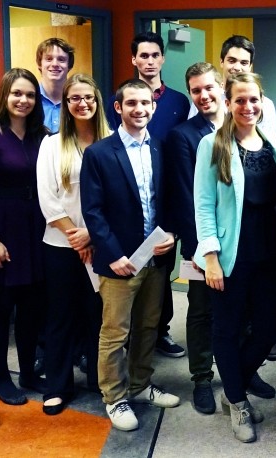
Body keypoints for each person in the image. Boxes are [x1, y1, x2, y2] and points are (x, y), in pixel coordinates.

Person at [81, 78, 180, 432]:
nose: (139, 109)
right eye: (132, 103)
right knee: (115, 332)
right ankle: (114, 397)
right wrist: (112, 254)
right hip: (119, 262)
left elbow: (170, 200)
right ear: (118, 108)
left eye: (145, 103)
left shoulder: (161, 148)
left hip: (155, 258)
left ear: (153, 107)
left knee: (148, 326)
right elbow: (93, 211)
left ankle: (140, 384)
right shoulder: (99, 153)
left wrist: (173, 234)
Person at [193, 72, 276, 443]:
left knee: (268, 330)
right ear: (228, 103)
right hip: (231, 254)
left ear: (262, 102)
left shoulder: (270, 145)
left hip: (269, 254)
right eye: (240, 100)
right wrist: (210, 256)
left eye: (254, 99)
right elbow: (203, 204)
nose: (248, 106)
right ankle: (237, 400)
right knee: (227, 330)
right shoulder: (212, 144)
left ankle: (234, 387)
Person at [104, 32, 191, 360]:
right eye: (143, 55)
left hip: (165, 196)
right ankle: (128, 336)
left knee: (160, 270)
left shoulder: (179, 102)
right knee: (127, 271)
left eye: (155, 55)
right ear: (134, 59)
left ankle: (160, 331)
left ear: (163, 59)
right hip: (128, 196)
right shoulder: (119, 98)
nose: (150, 61)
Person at [36, 73, 111, 415]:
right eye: (75, 98)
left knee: (99, 315)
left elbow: (119, 198)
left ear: (98, 101)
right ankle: (58, 385)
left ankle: (100, 379)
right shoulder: (51, 145)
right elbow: (48, 199)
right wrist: (76, 236)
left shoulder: (111, 141)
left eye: (88, 97)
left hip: (102, 243)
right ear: (66, 104)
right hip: (60, 245)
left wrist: (92, 235)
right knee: (61, 316)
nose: (83, 104)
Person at [0, 68, 49, 406]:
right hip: (2, 228)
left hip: (37, 228)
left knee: (32, 309)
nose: (23, 100)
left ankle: (28, 373)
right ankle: (1, 379)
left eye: (30, 95)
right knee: (0, 309)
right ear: (4, 96)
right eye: (17, 93)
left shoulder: (44, 136)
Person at [164, 61, 225, 415]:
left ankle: (239, 372)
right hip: (201, 243)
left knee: (239, 308)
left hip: (239, 240)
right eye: (196, 90)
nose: (203, 95)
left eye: (208, 87)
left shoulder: (240, 126)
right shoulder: (183, 136)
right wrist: (200, 248)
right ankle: (202, 377)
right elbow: (185, 197)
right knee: (202, 311)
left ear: (221, 86)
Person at [219, 35, 276, 150]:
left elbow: (272, 147)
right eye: (232, 61)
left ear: (250, 66)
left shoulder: (265, 105)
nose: (237, 67)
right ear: (222, 61)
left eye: (244, 63)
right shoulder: (208, 100)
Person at [35, 38, 74, 133]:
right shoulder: (29, 100)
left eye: (61, 59)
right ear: (40, 64)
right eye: (49, 59)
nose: (55, 64)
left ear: (69, 65)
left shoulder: (78, 101)